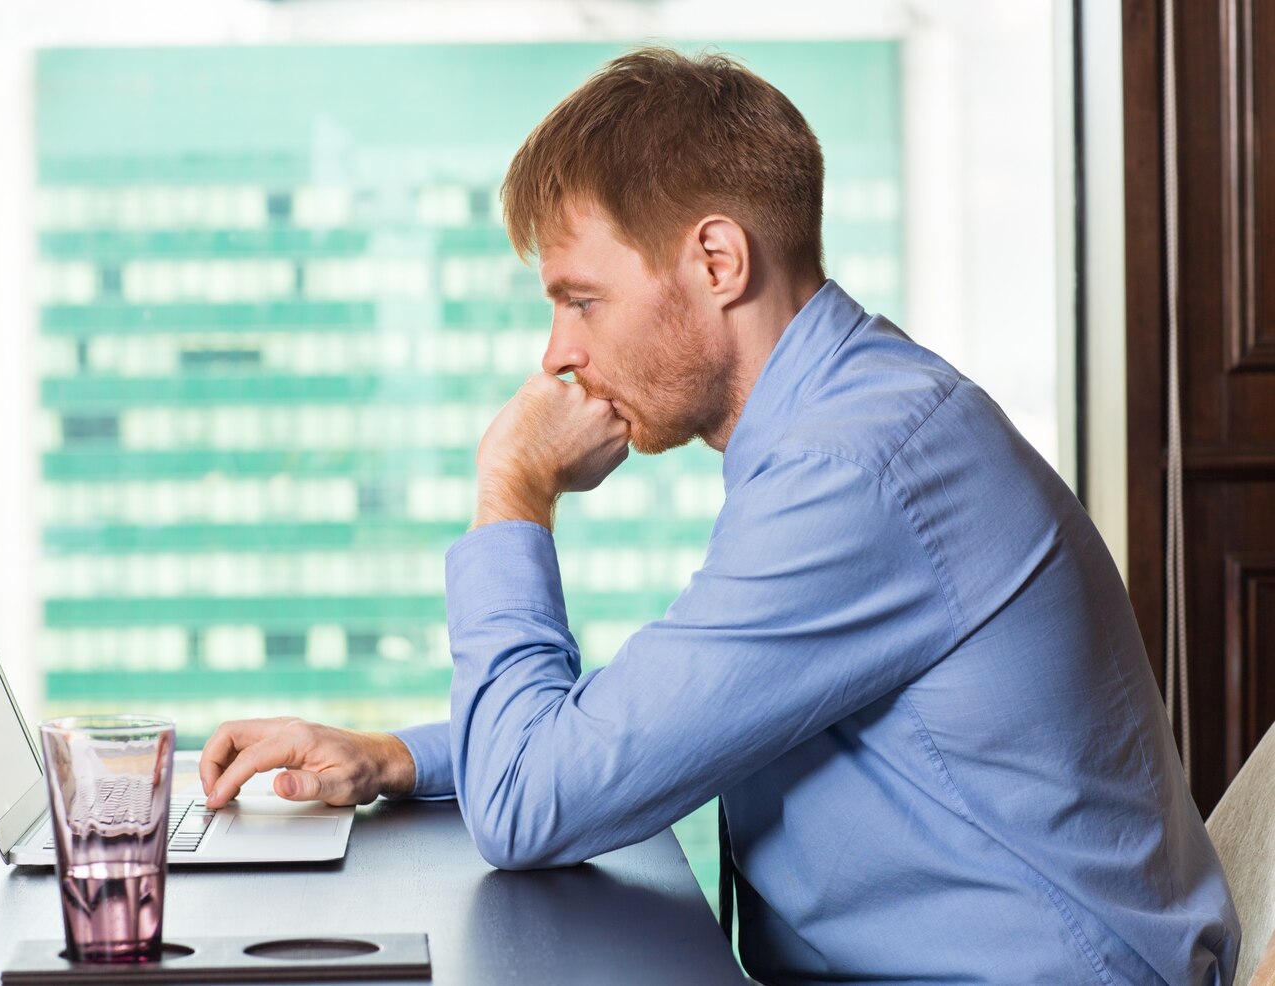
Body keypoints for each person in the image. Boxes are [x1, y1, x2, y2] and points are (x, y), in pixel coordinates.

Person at [199, 47, 1238, 983]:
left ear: (716, 261)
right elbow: (658, 717)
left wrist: (513, 490)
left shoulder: (854, 467)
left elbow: (530, 802)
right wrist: (395, 756)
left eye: (581, 297)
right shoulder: (845, 423)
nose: (556, 353)